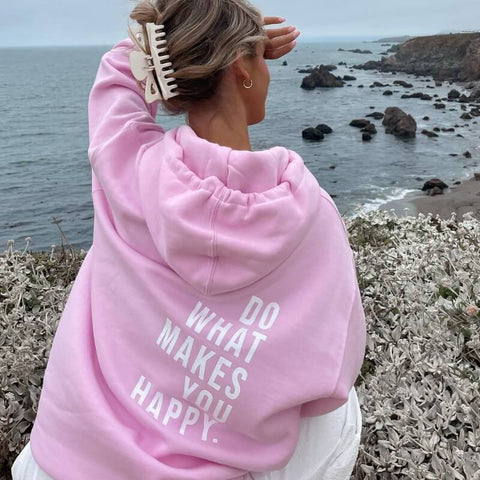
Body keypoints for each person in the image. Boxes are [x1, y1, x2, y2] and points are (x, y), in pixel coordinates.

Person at [11, 0, 366, 478]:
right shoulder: (308, 215)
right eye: (259, 58)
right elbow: (333, 374)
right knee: (343, 415)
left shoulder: (128, 167)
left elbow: (119, 68)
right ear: (242, 66)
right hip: (226, 466)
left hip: (70, 457)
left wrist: (210, 34)